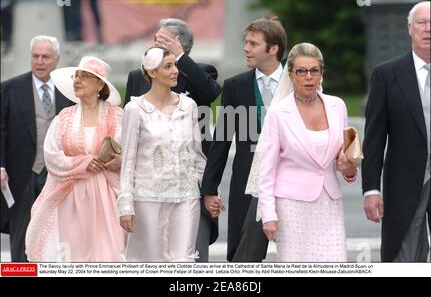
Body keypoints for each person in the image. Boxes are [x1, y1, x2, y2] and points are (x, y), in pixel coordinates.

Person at [125, 18, 221, 262]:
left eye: (164, 40)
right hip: (148, 187)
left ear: (182, 45)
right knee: (150, 258)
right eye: (155, 39)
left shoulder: (199, 73)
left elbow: (211, 93)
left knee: (188, 256)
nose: (156, 43)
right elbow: (129, 140)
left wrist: (209, 188)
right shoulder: (137, 80)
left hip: (187, 184)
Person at [257, 43, 357, 262]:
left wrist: (350, 170)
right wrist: (269, 215)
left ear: (321, 74)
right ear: (291, 75)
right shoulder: (278, 113)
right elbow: (266, 171)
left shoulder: (337, 106)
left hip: (329, 203)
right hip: (291, 206)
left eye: (315, 70)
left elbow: (345, 156)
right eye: (301, 71)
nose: (309, 77)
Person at [201, 17, 287, 262]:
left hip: (292, 179)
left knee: (299, 252)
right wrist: (209, 189)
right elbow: (221, 141)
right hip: (248, 180)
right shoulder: (235, 86)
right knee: (243, 256)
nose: (245, 48)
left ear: (273, 49)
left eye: (253, 43)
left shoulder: (297, 82)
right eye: (246, 42)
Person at [25, 56, 124, 262]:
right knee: (72, 254)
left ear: (100, 84)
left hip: (107, 196)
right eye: (75, 76)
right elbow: (51, 156)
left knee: (108, 256)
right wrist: (82, 163)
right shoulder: (64, 117)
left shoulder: (117, 116)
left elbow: (130, 154)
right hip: (71, 197)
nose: (77, 80)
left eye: (84, 76)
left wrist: (119, 161)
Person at [362, 1, 430, 262]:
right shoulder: (387, 74)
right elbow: (374, 139)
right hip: (405, 183)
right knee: (405, 259)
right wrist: (371, 189)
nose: (428, 29)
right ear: (410, 29)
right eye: (422, 23)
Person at [0, 35, 74, 261]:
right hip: (21, 173)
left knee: (58, 235)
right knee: (21, 235)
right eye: (35, 56)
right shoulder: (9, 89)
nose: (40, 61)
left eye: (45, 56)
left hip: (58, 174)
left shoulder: (70, 91)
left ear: (57, 59)